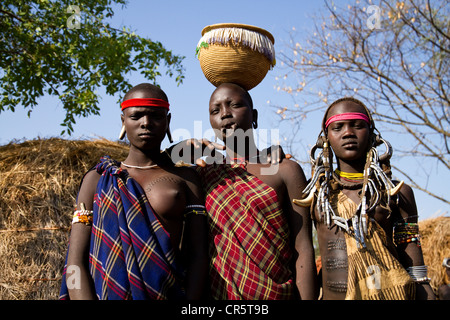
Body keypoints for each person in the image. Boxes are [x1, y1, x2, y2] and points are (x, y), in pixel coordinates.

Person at [59, 83, 208, 300]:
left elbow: (198, 257)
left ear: (168, 121)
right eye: (136, 116)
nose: (146, 123)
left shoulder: (186, 179)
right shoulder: (98, 179)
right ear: (123, 121)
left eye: (156, 116)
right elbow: (74, 263)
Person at [294, 97, 435, 300]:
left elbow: (412, 253)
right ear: (326, 138)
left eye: (358, 126)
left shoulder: (395, 192)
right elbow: (302, 250)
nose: (348, 133)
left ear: (372, 134)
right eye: (338, 127)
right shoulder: (314, 193)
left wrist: (425, 289)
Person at [187, 82, 317, 299]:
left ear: (254, 115)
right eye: (215, 110)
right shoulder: (202, 175)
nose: (225, 114)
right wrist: (176, 150)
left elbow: (303, 248)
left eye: (234, 105)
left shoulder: (285, 170)